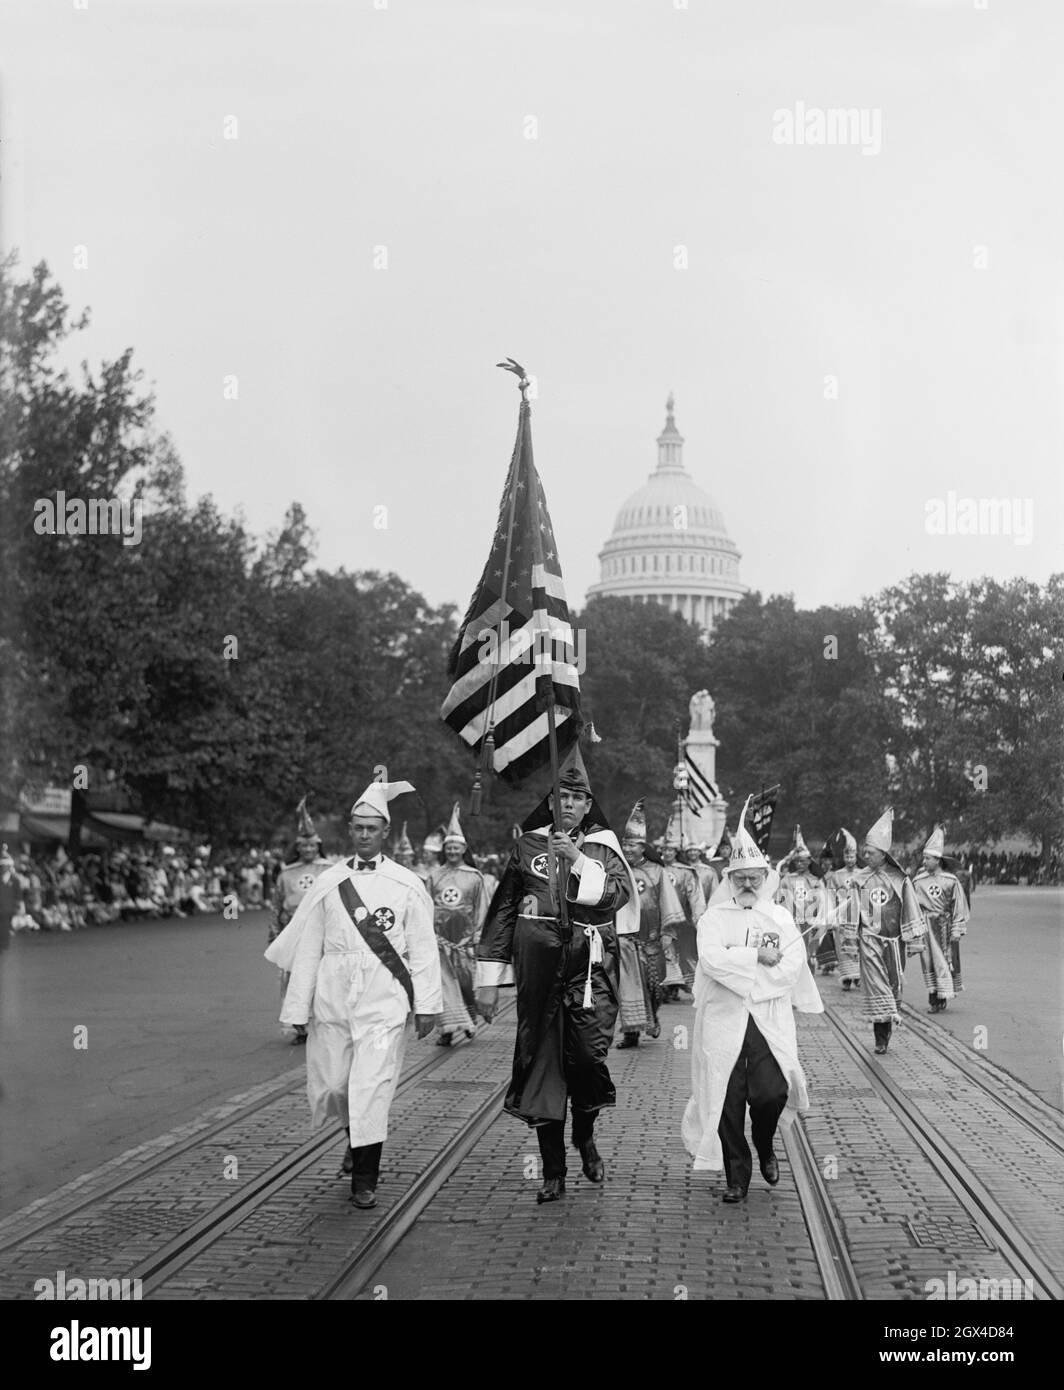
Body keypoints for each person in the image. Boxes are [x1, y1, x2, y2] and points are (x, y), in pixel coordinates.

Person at [264, 777, 442, 1209]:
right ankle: (354, 1136)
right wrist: (296, 1007)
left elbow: (422, 948)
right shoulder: (328, 881)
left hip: (384, 998)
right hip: (333, 996)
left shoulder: (407, 883)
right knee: (333, 1086)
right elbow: (309, 949)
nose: (364, 835)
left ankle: (365, 1177)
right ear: (350, 830)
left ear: (384, 832)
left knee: (371, 1086)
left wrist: (428, 1005)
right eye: (358, 828)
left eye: (372, 828)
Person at [474, 745, 634, 1205]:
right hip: (539, 973)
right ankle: (553, 1170)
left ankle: (584, 1134)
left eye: (576, 797)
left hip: (589, 973)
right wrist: (488, 979)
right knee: (542, 1065)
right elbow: (504, 909)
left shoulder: (604, 846)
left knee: (586, 1060)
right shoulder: (526, 845)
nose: (567, 803)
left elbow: (616, 896)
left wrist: (578, 860)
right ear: (551, 800)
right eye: (560, 795)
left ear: (587, 804)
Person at [682, 799, 823, 1202]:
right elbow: (711, 959)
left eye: (753, 879)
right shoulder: (715, 919)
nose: (747, 885)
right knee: (726, 1099)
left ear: (764, 878)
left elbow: (792, 965)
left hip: (766, 1020)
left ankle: (765, 1143)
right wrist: (754, 957)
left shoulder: (778, 918)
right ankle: (736, 1177)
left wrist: (750, 977)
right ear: (730, 879)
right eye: (739, 878)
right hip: (724, 1021)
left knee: (771, 1093)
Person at [851, 808, 932, 1054]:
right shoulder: (858, 879)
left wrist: (915, 941)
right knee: (877, 986)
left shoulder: (900, 879)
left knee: (893, 987)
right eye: (864, 851)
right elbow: (852, 912)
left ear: (883, 854)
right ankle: (880, 1038)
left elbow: (911, 909)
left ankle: (886, 1030)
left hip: (895, 943)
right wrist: (849, 940)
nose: (865, 855)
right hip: (870, 940)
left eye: (870, 852)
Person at [616, 802, 685, 1048]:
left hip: (652, 941)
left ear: (643, 847)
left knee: (654, 987)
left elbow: (668, 903)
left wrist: (668, 934)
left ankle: (652, 1014)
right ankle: (631, 1033)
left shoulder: (657, 872)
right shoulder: (616, 870)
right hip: (624, 940)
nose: (627, 849)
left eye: (632, 844)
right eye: (624, 844)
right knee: (628, 989)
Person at [269, 798, 332, 1046]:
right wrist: (275, 932)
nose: (308, 850)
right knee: (293, 978)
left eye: (312, 846)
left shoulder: (330, 870)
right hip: (292, 932)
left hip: (321, 931)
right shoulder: (286, 874)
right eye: (303, 846)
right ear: (298, 847)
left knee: (319, 977)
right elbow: (276, 904)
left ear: (318, 847)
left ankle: (320, 1019)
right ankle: (299, 1024)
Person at [427, 802, 487, 1046]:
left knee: (465, 985)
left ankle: (469, 1022)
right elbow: (425, 907)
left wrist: (477, 936)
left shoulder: (475, 877)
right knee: (443, 986)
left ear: (463, 849)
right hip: (439, 941)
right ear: (445, 849)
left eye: (456, 847)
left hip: (465, 942)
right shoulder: (434, 876)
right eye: (449, 847)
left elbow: (482, 908)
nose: (452, 851)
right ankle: (446, 1030)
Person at [912, 825, 970, 1013]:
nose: (925, 861)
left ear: (937, 860)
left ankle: (941, 997)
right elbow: (912, 907)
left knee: (944, 961)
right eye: (924, 858)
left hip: (944, 926)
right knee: (928, 961)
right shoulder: (918, 882)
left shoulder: (950, 881)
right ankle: (933, 996)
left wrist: (956, 930)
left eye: (928, 858)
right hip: (925, 927)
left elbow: (959, 906)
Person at [775, 827, 831, 973]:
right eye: (797, 861)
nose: (800, 864)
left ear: (809, 861)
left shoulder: (816, 881)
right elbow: (781, 900)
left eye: (803, 861)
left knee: (809, 955)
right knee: (794, 953)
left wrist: (819, 919)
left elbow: (823, 902)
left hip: (811, 923)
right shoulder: (787, 879)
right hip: (793, 922)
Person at [659, 828, 706, 1000]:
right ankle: (666, 988)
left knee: (685, 954)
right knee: (665, 953)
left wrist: (698, 917)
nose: (667, 853)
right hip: (661, 919)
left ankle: (685, 987)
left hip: (683, 918)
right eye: (664, 850)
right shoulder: (656, 868)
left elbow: (694, 895)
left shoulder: (686, 872)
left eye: (670, 850)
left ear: (676, 852)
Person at [824, 829, 862, 991]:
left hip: (858, 917)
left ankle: (858, 975)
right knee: (842, 948)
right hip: (842, 917)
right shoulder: (836, 876)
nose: (849, 859)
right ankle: (846, 977)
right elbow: (830, 897)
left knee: (858, 946)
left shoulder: (863, 874)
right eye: (846, 856)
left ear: (856, 857)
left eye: (852, 856)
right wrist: (832, 917)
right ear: (843, 857)